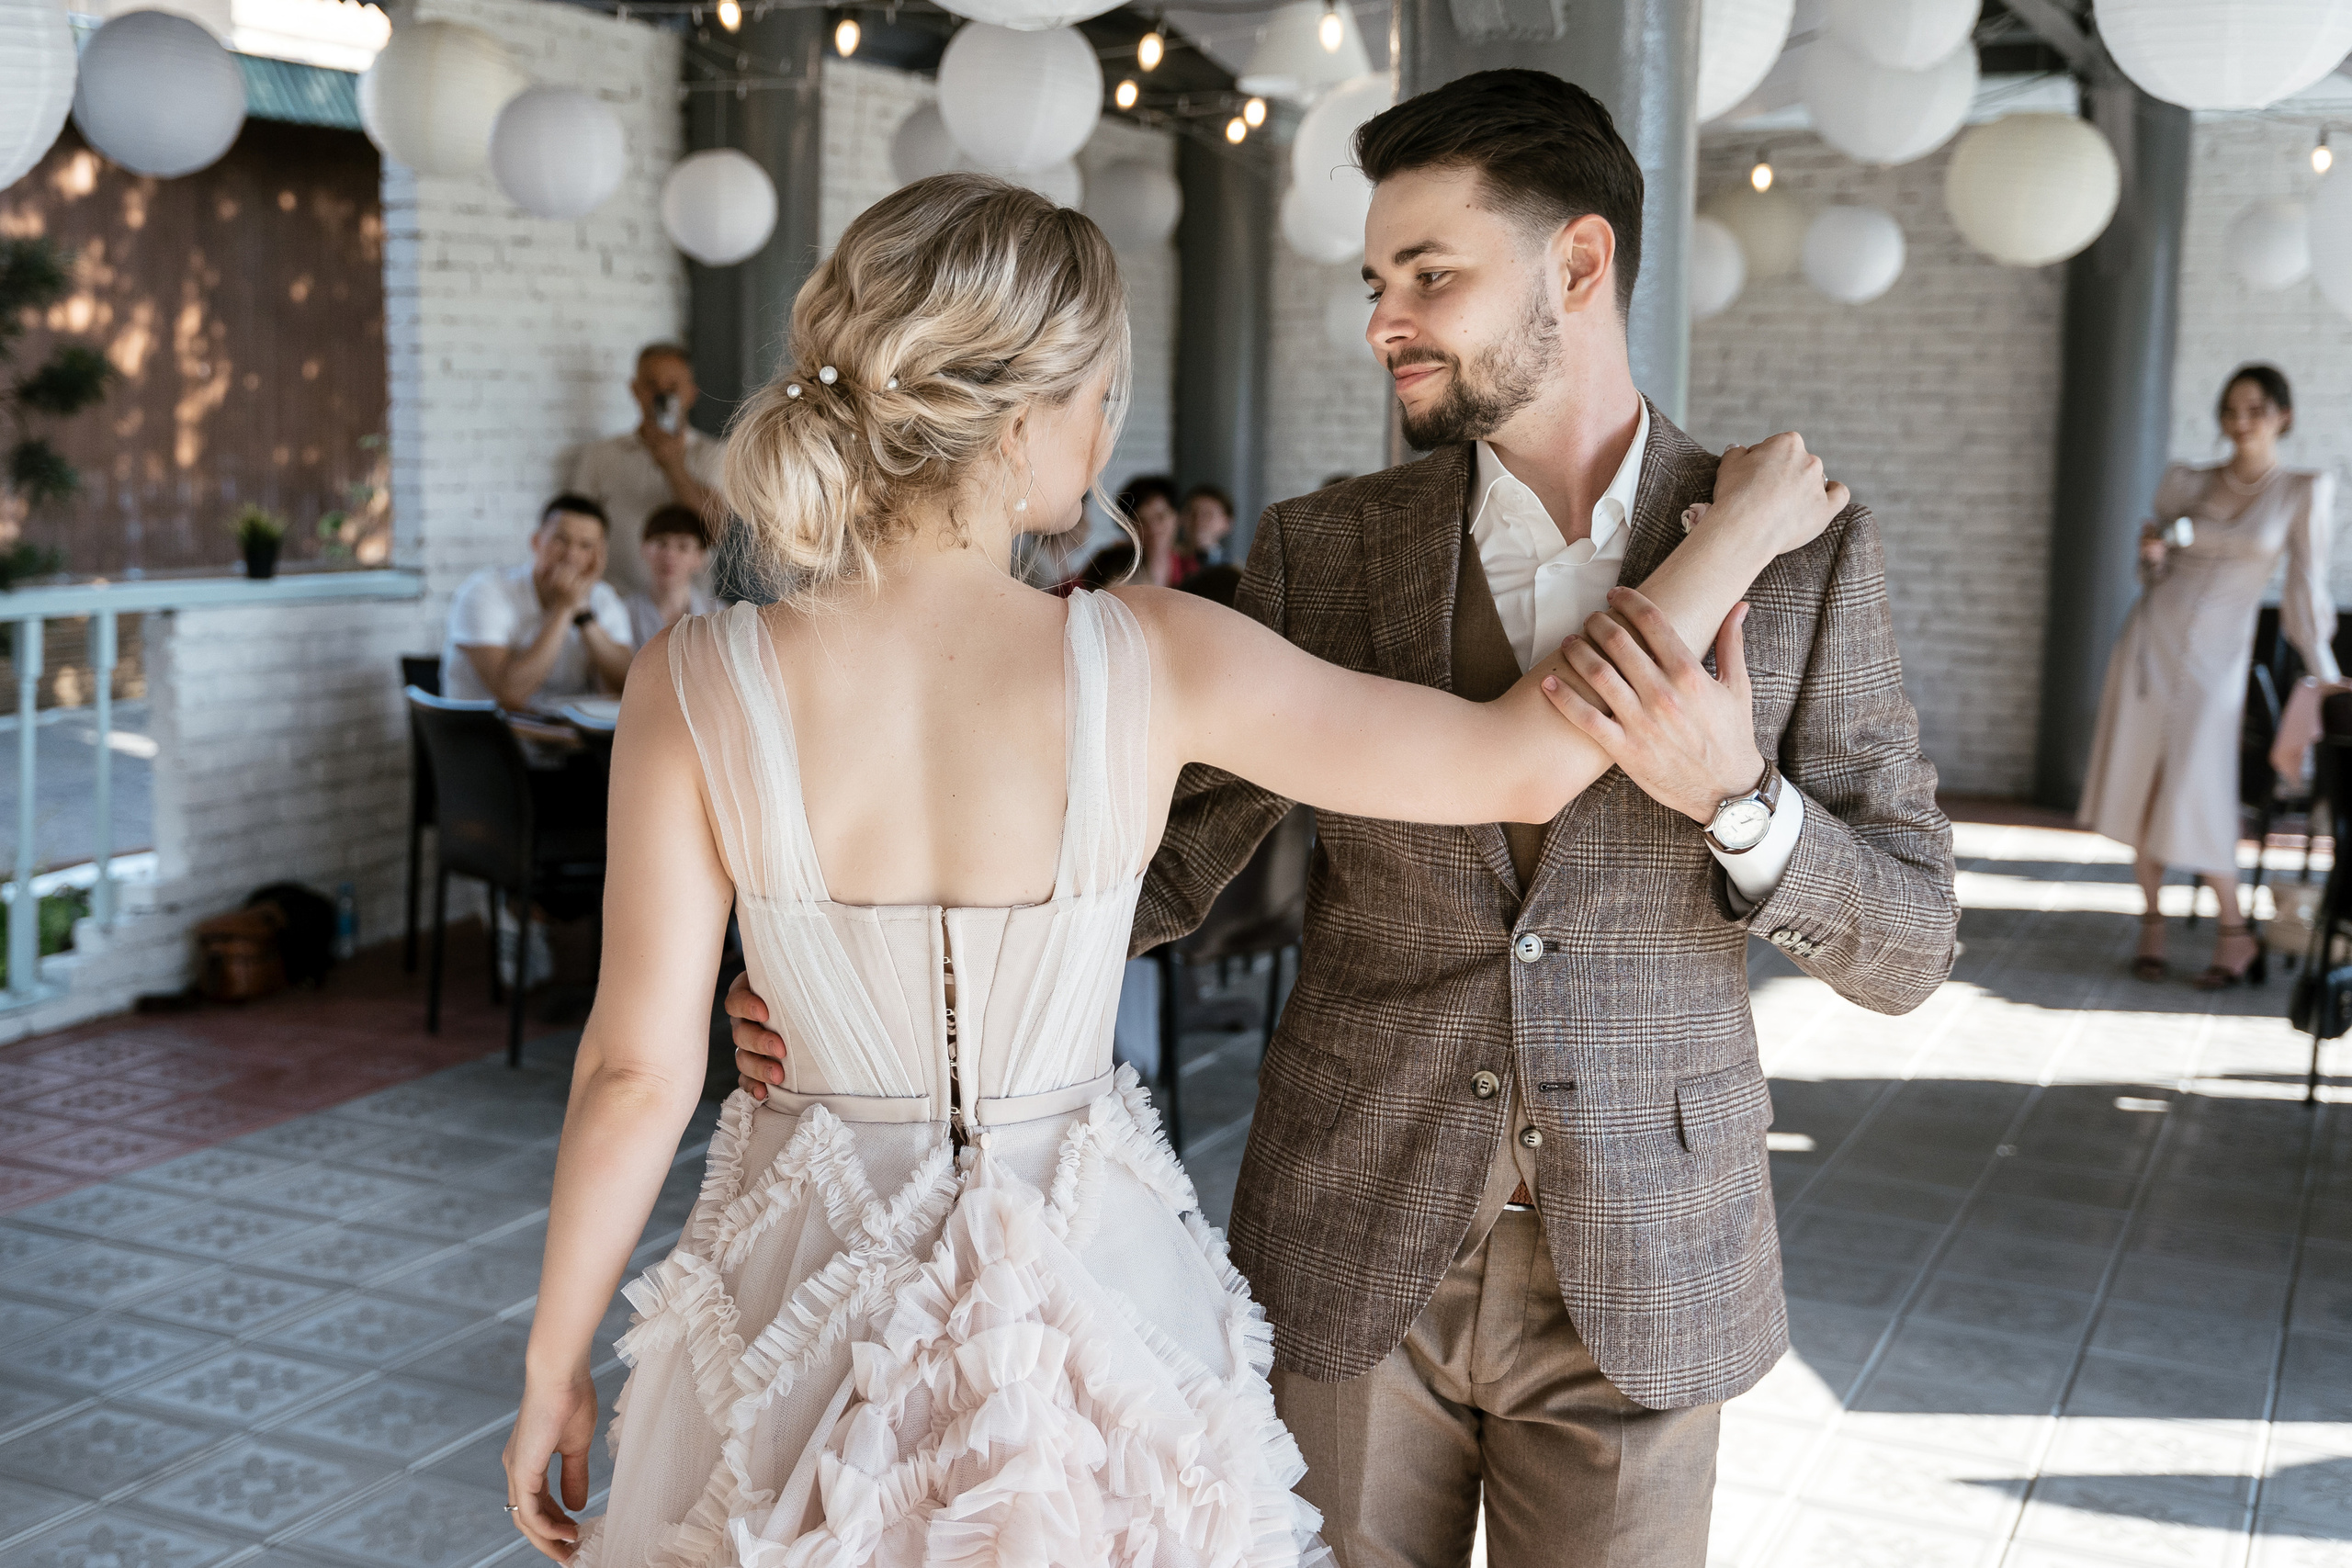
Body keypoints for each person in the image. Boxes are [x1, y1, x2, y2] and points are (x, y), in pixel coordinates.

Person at [503, 171, 1847, 1566]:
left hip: (802, 1285)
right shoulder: (1149, 652)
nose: (1104, 435)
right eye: (1098, 398)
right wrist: (1732, 540)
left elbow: (634, 1073)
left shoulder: (691, 679)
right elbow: (1523, 759)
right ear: (1020, 421)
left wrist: (554, 1364)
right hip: (1086, 1287)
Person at [2079, 363, 2337, 988]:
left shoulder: (2303, 489)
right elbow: (2151, 574)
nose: (2240, 421)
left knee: (2200, 785)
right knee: (2141, 779)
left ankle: (2234, 930)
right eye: (2230, 410)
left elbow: (2306, 591)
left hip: (2218, 660)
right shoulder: (2185, 479)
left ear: (2283, 415)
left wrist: (2327, 678)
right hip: (2151, 642)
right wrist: (2151, 556)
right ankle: (2152, 924)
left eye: (2255, 409)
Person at [442, 493, 634, 709]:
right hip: (486, 728)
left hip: (565, 729)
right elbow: (511, 693)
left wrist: (583, 613)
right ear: (536, 541)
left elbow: (629, 688)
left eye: (586, 546)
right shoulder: (484, 592)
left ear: (600, 556)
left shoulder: (604, 598)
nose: (571, 555)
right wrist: (564, 608)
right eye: (561, 540)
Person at [565, 343, 727, 595]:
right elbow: (575, 530)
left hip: (688, 606)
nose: (661, 395)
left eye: (672, 387)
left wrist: (673, 465)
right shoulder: (600, 456)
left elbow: (714, 531)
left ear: (691, 393)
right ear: (635, 390)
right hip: (614, 600)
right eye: (652, 385)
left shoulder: (715, 455)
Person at [622, 503, 719, 647]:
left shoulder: (718, 614)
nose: (670, 555)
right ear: (644, 548)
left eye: (683, 547)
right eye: (661, 543)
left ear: (699, 556)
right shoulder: (623, 612)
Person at [1177, 482, 1236, 579]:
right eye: (1191, 512)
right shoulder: (1167, 562)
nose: (1198, 520)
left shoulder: (1235, 570)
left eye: (1207, 514)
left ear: (1227, 523)